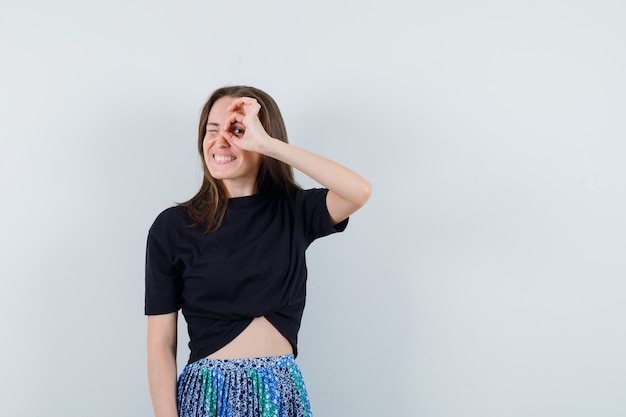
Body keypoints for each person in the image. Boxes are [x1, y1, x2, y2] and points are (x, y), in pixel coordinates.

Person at [145, 85, 371, 417]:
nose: (220, 140)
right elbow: (160, 344)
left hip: (278, 395)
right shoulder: (174, 227)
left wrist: (268, 145)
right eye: (211, 130)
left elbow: (358, 191)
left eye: (237, 130)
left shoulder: (294, 211)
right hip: (208, 396)